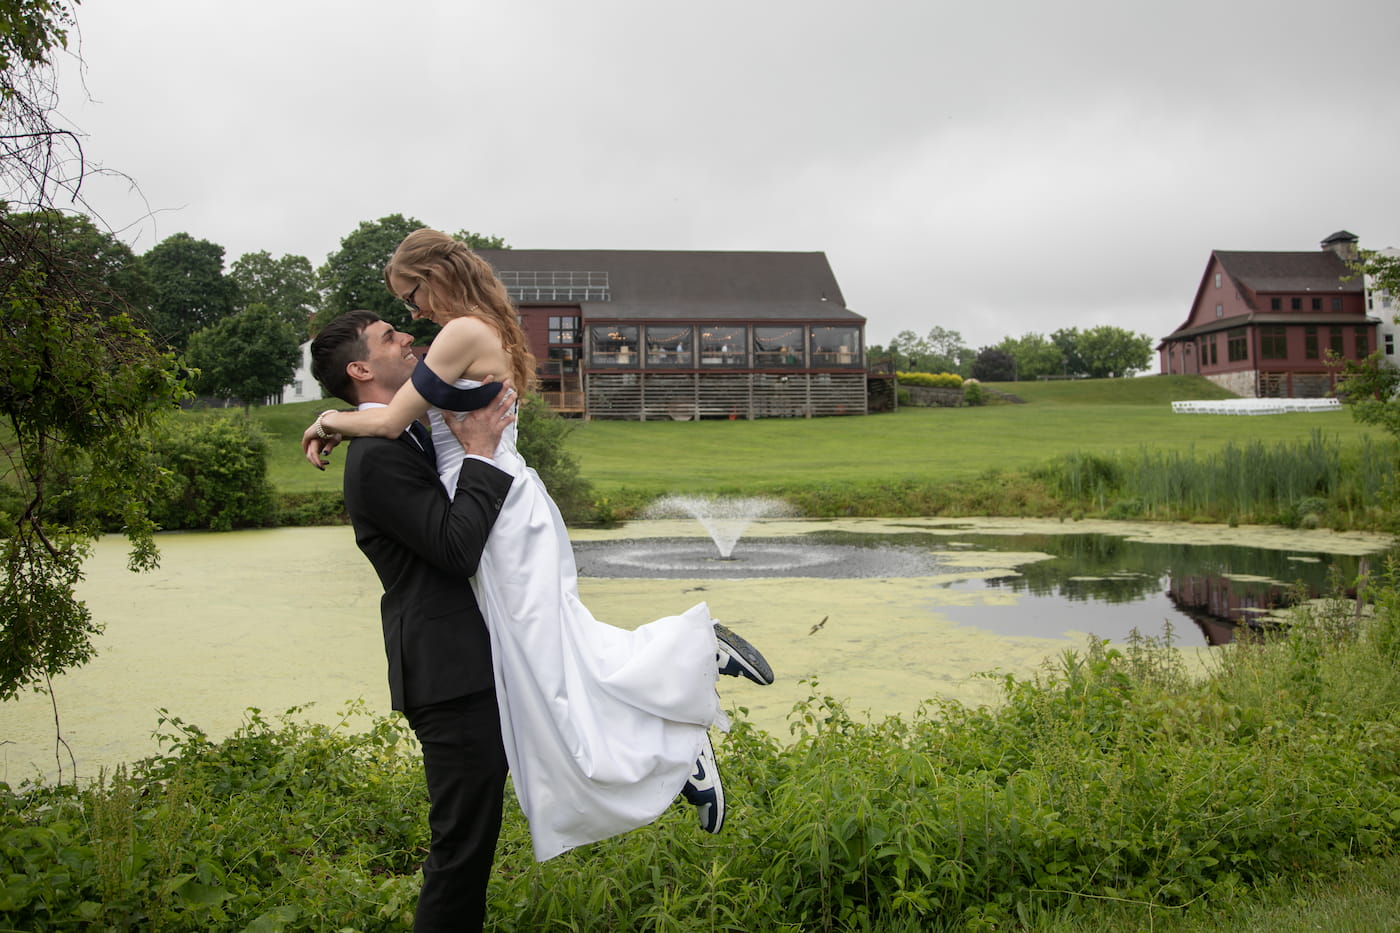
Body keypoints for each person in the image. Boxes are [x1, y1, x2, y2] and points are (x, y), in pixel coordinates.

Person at [302, 229, 774, 864]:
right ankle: (678, 739)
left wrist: (327, 419)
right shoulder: (472, 328)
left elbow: (386, 420)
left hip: (497, 509)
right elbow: (394, 419)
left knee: (550, 661)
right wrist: (340, 418)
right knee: (551, 655)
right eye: (399, 312)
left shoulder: (461, 334)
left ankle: (694, 657)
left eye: (410, 295)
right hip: (501, 503)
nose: (411, 314)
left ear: (435, 275)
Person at [308, 308, 518, 932]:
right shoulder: (376, 462)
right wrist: (481, 455)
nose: (408, 339)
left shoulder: (396, 430)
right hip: (447, 674)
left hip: (472, 662)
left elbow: (398, 408)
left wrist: (327, 420)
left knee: (472, 846)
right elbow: (455, 549)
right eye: (390, 338)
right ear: (361, 367)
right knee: (460, 850)